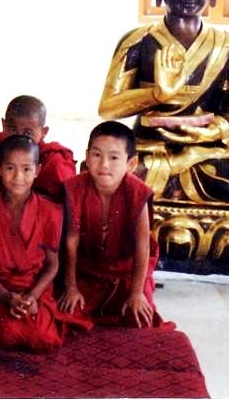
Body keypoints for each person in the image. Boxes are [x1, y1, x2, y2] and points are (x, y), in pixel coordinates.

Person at [97, 0, 229, 206]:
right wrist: (156, 95)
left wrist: (214, 130)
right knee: (109, 173)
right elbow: (108, 107)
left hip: (205, 152)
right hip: (150, 148)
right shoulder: (138, 41)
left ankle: (164, 194)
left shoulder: (227, 46)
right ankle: (170, 194)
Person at [0, 135, 84, 352]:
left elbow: (53, 264)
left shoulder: (50, 211)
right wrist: (5, 295)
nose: (18, 177)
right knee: (7, 335)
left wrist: (33, 296)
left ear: (37, 170)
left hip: (37, 288)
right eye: (10, 168)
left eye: (26, 169)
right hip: (0, 288)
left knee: (44, 340)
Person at [58, 121, 171, 329]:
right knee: (68, 315)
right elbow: (71, 241)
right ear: (87, 157)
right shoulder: (75, 188)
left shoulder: (137, 192)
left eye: (114, 157)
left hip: (126, 271)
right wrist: (71, 286)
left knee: (139, 319)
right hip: (88, 269)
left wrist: (137, 292)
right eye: (97, 155)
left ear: (131, 163)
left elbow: (142, 246)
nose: (104, 165)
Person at [0, 95, 76, 201]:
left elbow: (65, 203)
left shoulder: (54, 161)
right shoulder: (1, 141)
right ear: (4, 125)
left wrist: (21, 200)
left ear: (43, 132)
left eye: (27, 133)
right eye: (13, 130)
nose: (19, 139)